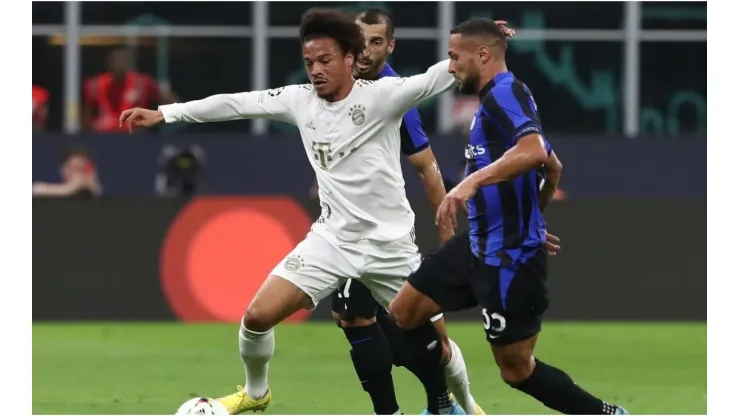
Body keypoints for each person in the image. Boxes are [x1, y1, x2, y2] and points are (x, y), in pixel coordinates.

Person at [120, 8, 469, 415]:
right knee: (256, 317)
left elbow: (439, 75)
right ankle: (256, 393)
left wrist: (481, 47)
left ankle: (468, 406)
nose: (316, 70)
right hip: (332, 240)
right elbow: (236, 104)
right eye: (309, 62)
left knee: (438, 344)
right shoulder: (299, 100)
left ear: (350, 60)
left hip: (390, 247)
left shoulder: (383, 97)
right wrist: (167, 113)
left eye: (325, 60)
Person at [388, 19, 629, 415]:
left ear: (482, 55)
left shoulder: (506, 94)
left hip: (510, 259)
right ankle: (442, 406)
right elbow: (554, 168)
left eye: (454, 57)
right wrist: (530, 217)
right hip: (478, 245)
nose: (450, 67)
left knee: (516, 371)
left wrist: (470, 185)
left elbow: (536, 152)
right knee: (404, 313)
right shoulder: (497, 100)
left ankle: (604, 414)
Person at [326, 9, 512, 416]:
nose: (366, 50)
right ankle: (393, 412)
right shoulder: (338, 78)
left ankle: (462, 406)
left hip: (384, 232)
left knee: (426, 333)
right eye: (361, 40)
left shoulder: (396, 95)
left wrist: (445, 232)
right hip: (344, 228)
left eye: (377, 42)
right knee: (352, 317)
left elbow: (426, 166)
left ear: (389, 47)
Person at [84, 48, 177, 133]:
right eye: (116, 61)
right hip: (104, 134)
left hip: (135, 134)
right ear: (109, 64)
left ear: (129, 63)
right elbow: (86, 113)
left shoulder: (142, 83)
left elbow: (167, 99)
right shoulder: (95, 85)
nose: (120, 64)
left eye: (123, 61)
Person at [32, 147, 102, 198]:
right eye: (72, 168)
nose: (77, 174)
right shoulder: (40, 188)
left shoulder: (90, 188)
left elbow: (67, 190)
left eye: (80, 169)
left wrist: (41, 189)